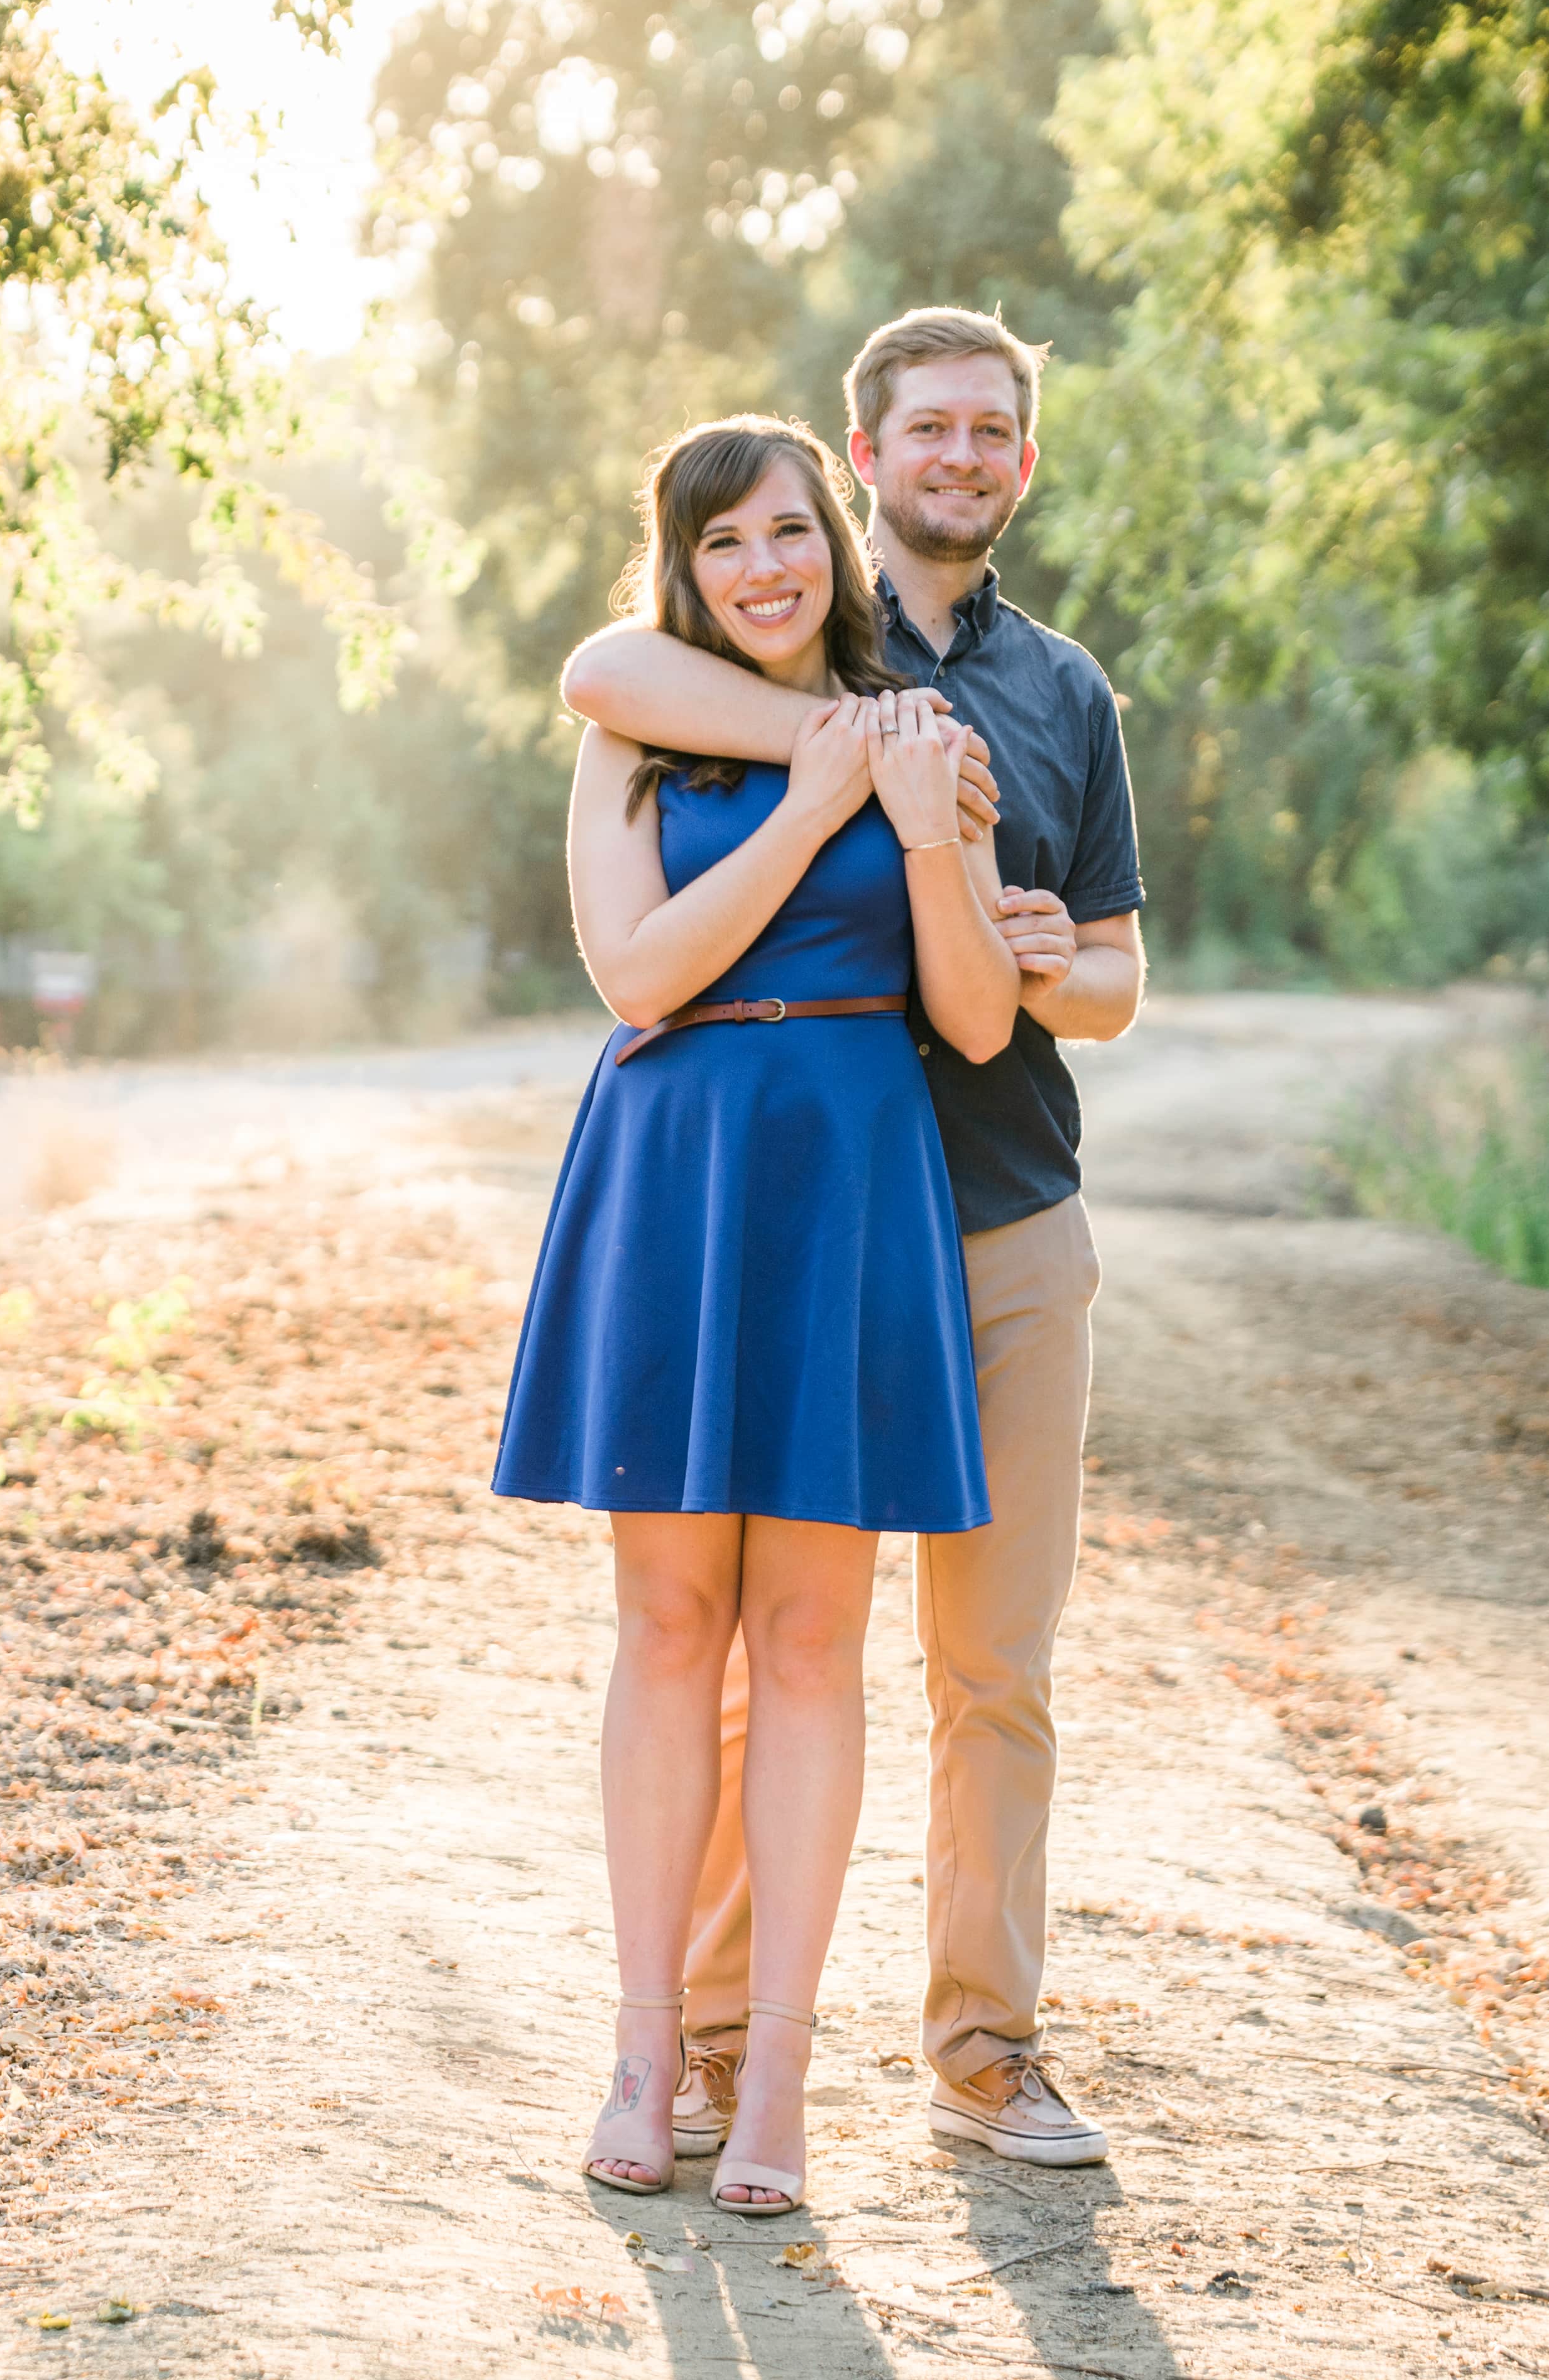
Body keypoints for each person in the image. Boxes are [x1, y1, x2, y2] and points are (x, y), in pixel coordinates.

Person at [557, 307, 1148, 2171]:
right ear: (864, 457)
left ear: (1022, 462)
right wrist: (854, 757)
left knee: (967, 1662)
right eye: (929, 430)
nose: (964, 455)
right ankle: (704, 2048)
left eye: (997, 429)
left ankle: (979, 2052)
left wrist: (1043, 944)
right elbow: (603, 684)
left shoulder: (1044, 697)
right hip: (748, 1208)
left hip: (972, 1209)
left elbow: (1064, 988)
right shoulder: (755, 686)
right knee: (714, 1644)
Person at [492, 413, 1026, 2213]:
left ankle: (781, 2076)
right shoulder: (631, 736)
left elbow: (965, 1021)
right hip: (678, 1167)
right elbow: (636, 974)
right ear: (684, 567)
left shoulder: (922, 738)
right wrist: (816, 802)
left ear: (839, 543)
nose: (765, 570)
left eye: (791, 533)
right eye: (724, 545)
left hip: (851, 1174)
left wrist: (924, 832)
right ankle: (647, 2051)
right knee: (664, 1626)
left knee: (808, 1643)